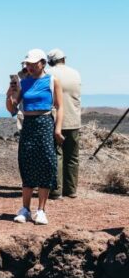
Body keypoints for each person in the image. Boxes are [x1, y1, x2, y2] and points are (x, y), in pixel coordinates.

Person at [6, 49, 64, 225]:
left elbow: (60, 107)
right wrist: (10, 92)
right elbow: (12, 109)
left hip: (46, 122)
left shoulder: (52, 80)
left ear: (43, 63)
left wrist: (58, 129)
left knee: (47, 163)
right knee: (27, 162)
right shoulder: (24, 82)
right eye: (27, 64)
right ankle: (25, 209)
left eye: (33, 63)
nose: (29, 67)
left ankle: (41, 210)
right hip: (28, 124)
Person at [47, 48, 81, 199]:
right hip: (74, 119)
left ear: (50, 61)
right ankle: (71, 189)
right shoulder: (75, 73)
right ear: (64, 59)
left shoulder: (49, 74)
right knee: (72, 156)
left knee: (56, 155)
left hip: (56, 120)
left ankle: (56, 190)